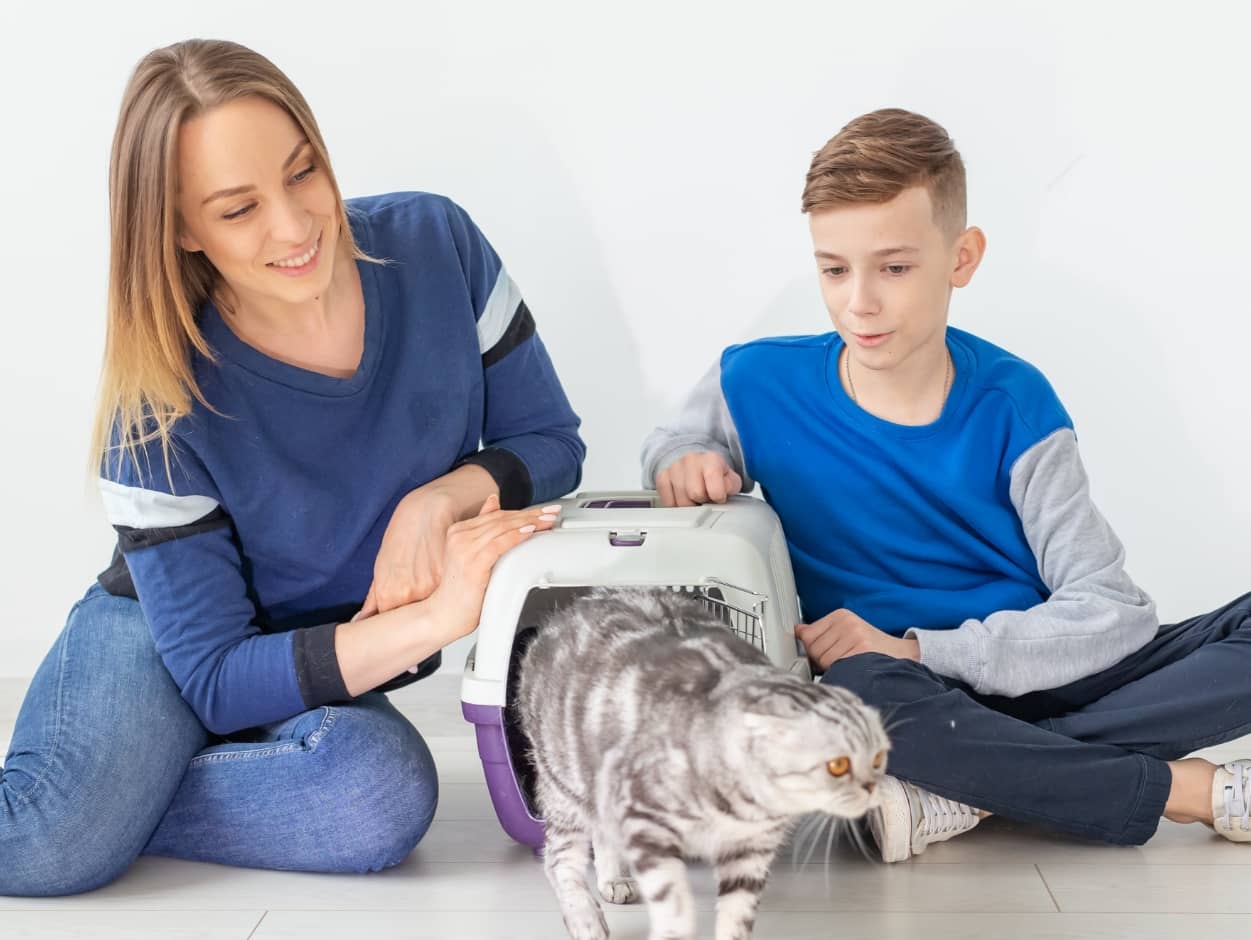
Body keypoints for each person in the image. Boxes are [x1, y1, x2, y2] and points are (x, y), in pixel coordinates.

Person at [0, 39, 584, 896]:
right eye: (238, 210)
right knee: (45, 848)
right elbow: (212, 671)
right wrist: (433, 621)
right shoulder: (155, 400)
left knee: (377, 798)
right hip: (169, 640)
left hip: (318, 654)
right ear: (178, 228)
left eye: (303, 172)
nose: (296, 225)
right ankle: (83, 811)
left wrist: (440, 498)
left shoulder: (438, 244)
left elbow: (552, 441)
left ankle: (114, 802)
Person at [641, 108, 1250, 862]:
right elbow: (674, 440)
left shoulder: (1014, 402)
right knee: (854, 697)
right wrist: (682, 456)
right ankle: (1181, 791)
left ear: (961, 257)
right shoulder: (755, 380)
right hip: (895, 697)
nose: (858, 301)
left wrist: (922, 650)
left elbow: (1111, 611)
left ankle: (964, 786)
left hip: (1025, 665)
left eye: (893, 268)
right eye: (833, 268)